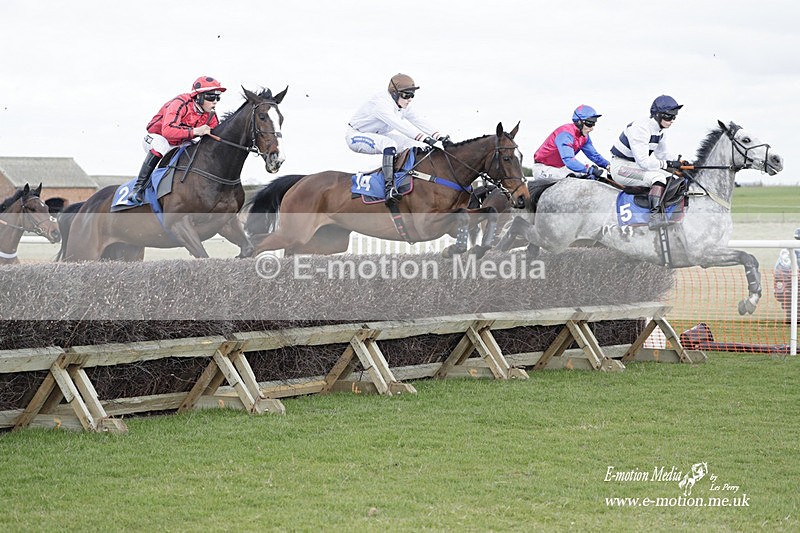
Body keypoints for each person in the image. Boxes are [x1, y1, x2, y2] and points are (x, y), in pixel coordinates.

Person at [345, 73, 449, 205]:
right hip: (356, 135)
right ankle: (389, 188)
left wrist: (439, 136)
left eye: (412, 95)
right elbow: (400, 125)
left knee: (414, 144)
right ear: (394, 93)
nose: (410, 99)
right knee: (390, 144)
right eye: (406, 95)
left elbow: (418, 120)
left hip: (378, 135)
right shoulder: (381, 104)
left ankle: (406, 179)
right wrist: (427, 139)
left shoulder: (402, 104)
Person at [128, 76, 226, 203]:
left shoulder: (211, 114)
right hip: (157, 137)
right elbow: (168, 131)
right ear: (198, 96)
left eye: (218, 97)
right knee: (161, 145)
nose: (215, 101)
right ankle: (138, 188)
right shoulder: (180, 103)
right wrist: (196, 131)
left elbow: (215, 138)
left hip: (179, 143)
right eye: (211, 97)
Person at [610, 94, 688, 230]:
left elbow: (662, 154)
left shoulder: (659, 130)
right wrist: (667, 164)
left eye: (674, 116)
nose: (672, 120)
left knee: (674, 178)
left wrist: (680, 161)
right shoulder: (640, 128)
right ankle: (655, 217)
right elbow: (644, 162)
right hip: (621, 167)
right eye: (669, 116)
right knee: (658, 178)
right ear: (657, 115)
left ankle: (671, 215)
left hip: (633, 166)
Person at [531, 105, 610, 181]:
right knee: (577, 179)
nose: (592, 128)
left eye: (594, 123)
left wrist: (608, 166)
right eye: (590, 123)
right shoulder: (565, 134)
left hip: (561, 168)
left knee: (591, 178)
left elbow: (594, 155)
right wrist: (588, 169)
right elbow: (569, 160)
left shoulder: (584, 136)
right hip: (544, 168)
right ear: (579, 122)